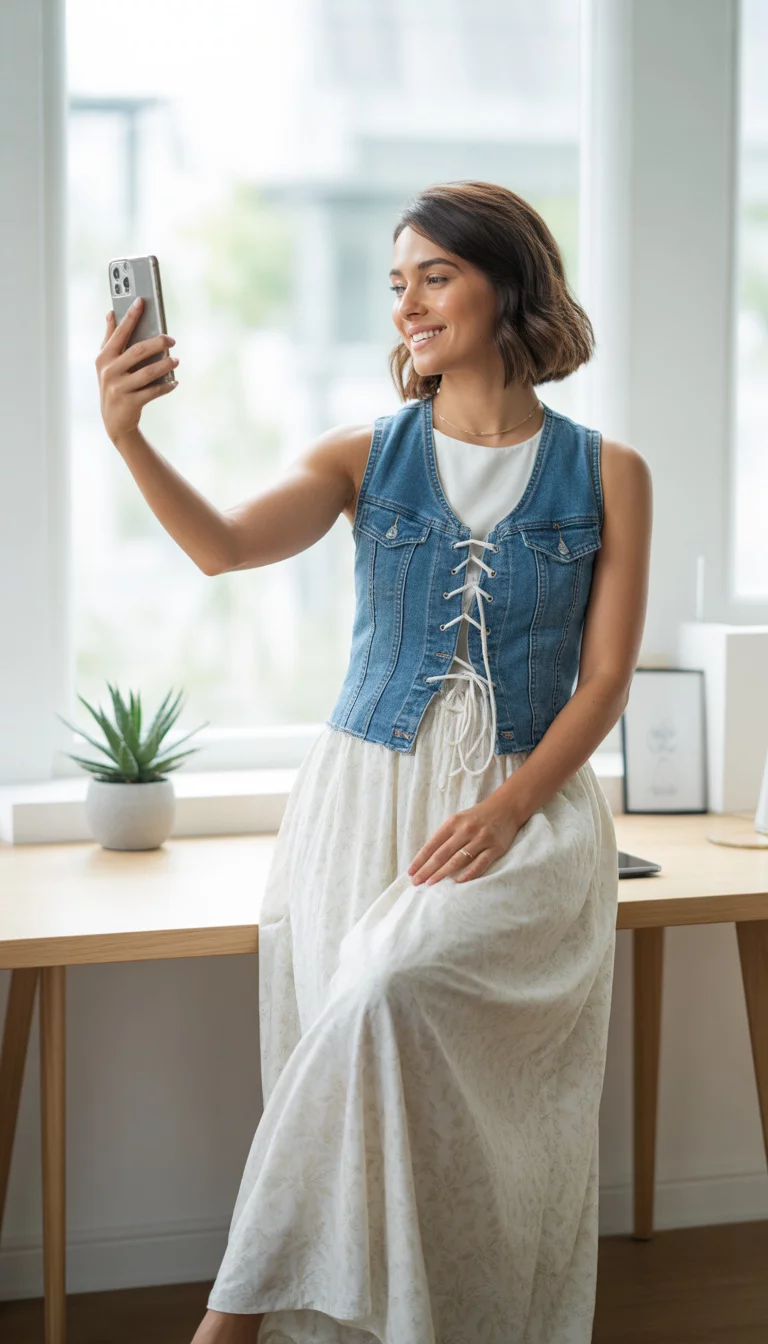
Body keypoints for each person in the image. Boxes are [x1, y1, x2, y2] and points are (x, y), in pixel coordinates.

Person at [97, 180, 652, 1344]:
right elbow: (221, 549)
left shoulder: (609, 474)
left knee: (391, 1003)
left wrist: (507, 808)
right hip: (365, 797)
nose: (407, 303)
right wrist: (127, 435)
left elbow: (604, 681)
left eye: (434, 276)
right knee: (359, 1073)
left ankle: (229, 1321)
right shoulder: (364, 456)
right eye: (396, 283)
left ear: (510, 285)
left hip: (524, 813)